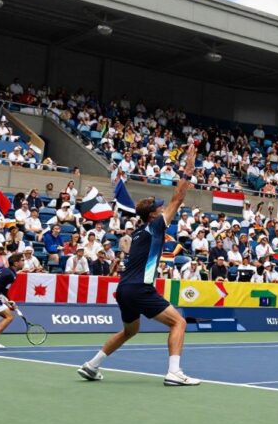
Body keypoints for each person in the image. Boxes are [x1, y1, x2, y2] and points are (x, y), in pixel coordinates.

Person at [77, 143, 200, 386]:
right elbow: (180, 196)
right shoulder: (155, 226)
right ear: (154, 215)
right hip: (139, 288)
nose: (165, 208)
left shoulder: (139, 233)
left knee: (130, 331)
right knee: (179, 322)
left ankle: (92, 365)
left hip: (124, 289)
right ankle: (174, 372)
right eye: (160, 208)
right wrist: (189, 165)